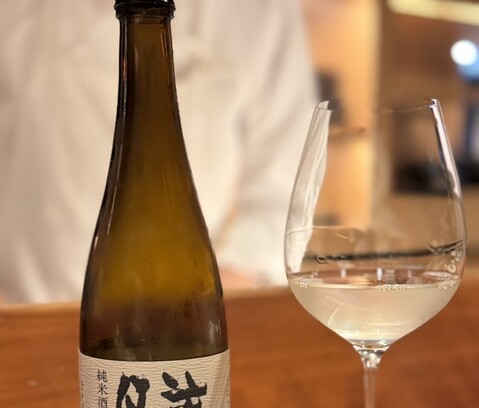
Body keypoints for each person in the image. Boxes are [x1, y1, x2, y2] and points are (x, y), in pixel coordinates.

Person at [0, 0, 316, 303]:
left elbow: (283, 198)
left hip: (187, 313)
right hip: (25, 312)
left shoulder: (260, 12)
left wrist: (205, 303)